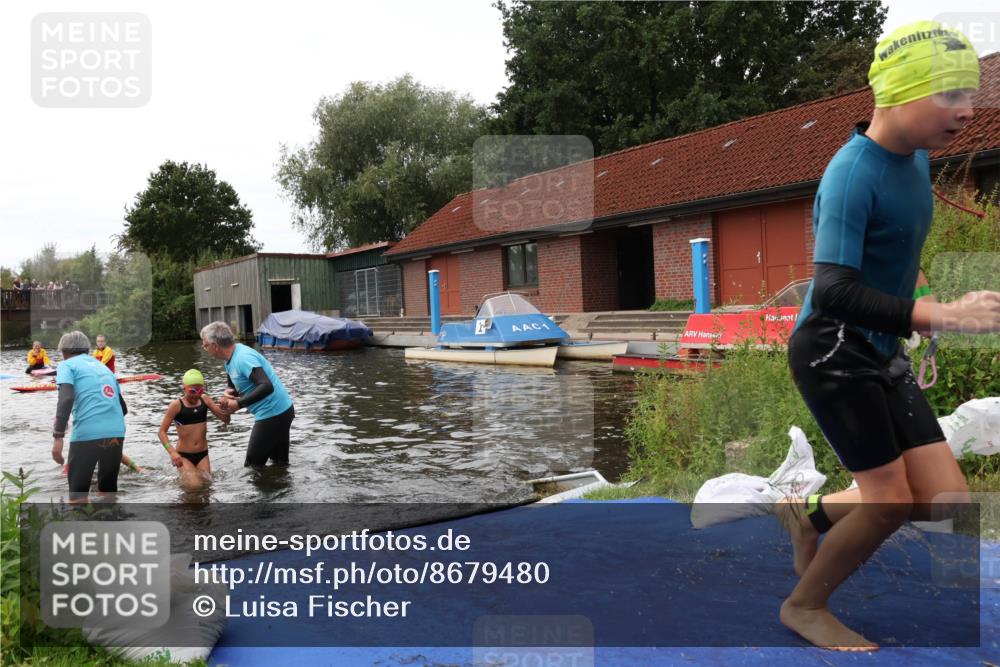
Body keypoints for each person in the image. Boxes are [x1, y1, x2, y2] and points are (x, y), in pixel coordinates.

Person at [776, 21, 1000, 651]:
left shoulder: (916, 161)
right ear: (901, 93)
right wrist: (942, 316)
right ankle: (804, 605)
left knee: (944, 497)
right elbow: (836, 290)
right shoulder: (852, 174)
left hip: (880, 347)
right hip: (833, 351)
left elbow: (901, 252)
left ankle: (810, 517)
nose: (966, 110)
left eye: (970, 94)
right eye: (950, 95)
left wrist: (922, 298)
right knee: (889, 502)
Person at [200, 321, 294, 467]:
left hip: (273, 413)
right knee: (279, 465)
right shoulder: (229, 358)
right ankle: (284, 489)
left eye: (205, 344)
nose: (204, 348)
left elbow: (266, 386)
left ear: (215, 345)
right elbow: (234, 387)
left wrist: (238, 403)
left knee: (252, 466)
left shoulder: (243, 358)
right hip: (281, 411)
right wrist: (227, 394)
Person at [50, 331, 128, 500]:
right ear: (86, 349)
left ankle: (81, 525)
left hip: (87, 434)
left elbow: (66, 398)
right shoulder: (104, 368)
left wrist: (58, 438)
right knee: (108, 493)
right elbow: (123, 408)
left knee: (77, 497)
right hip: (116, 432)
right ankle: (111, 523)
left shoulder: (67, 365)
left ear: (64, 352)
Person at [157, 368, 230, 489]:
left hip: (203, 455)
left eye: (200, 390)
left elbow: (226, 420)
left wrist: (225, 408)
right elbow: (161, 432)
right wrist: (172, 453)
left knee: (206, 487)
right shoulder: (176, 405)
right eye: (192, 391)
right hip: (184, 456)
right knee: (194, 486)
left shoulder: (205, 400)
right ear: (184, 388)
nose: (196, 394)